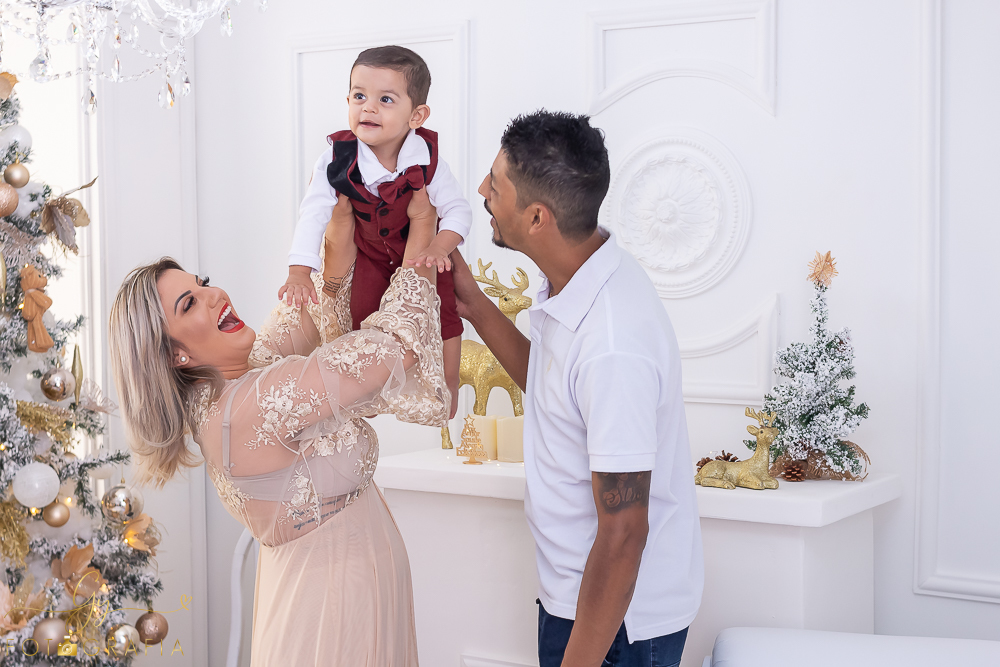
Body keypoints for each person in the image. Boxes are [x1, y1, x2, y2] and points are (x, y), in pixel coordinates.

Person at [109, 190, 448, 666]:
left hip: (343, 595)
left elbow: (306, 312)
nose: (215, 295)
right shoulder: (251, 405)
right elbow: (391, 348)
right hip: (331, 613)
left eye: (203, 283)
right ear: (173, 354)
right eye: (190, 303)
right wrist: (422, 236)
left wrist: (336, 221)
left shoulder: (224, 389)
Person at [447, 111, 703, 667]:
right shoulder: (579, 277)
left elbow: (624, 532)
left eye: (496, 183)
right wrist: (472, 303)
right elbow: (555, 388)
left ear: (536, 216)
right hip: (579, 602)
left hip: (616, 626)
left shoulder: (613, 342)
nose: (483, 192)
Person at [280, 44, 470, 418]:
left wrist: (439, 246)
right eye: (359, 96)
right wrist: (299, 270)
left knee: (443, 317)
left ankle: (446, 391)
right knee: (363, 323)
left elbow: (458, 211)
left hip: (418, 257)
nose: (367, 107)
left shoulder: (427, 159)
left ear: (416, 115)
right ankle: (368, 398)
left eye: (385, 99)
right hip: (367, 258)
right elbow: (313, 213)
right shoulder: (336, 158)